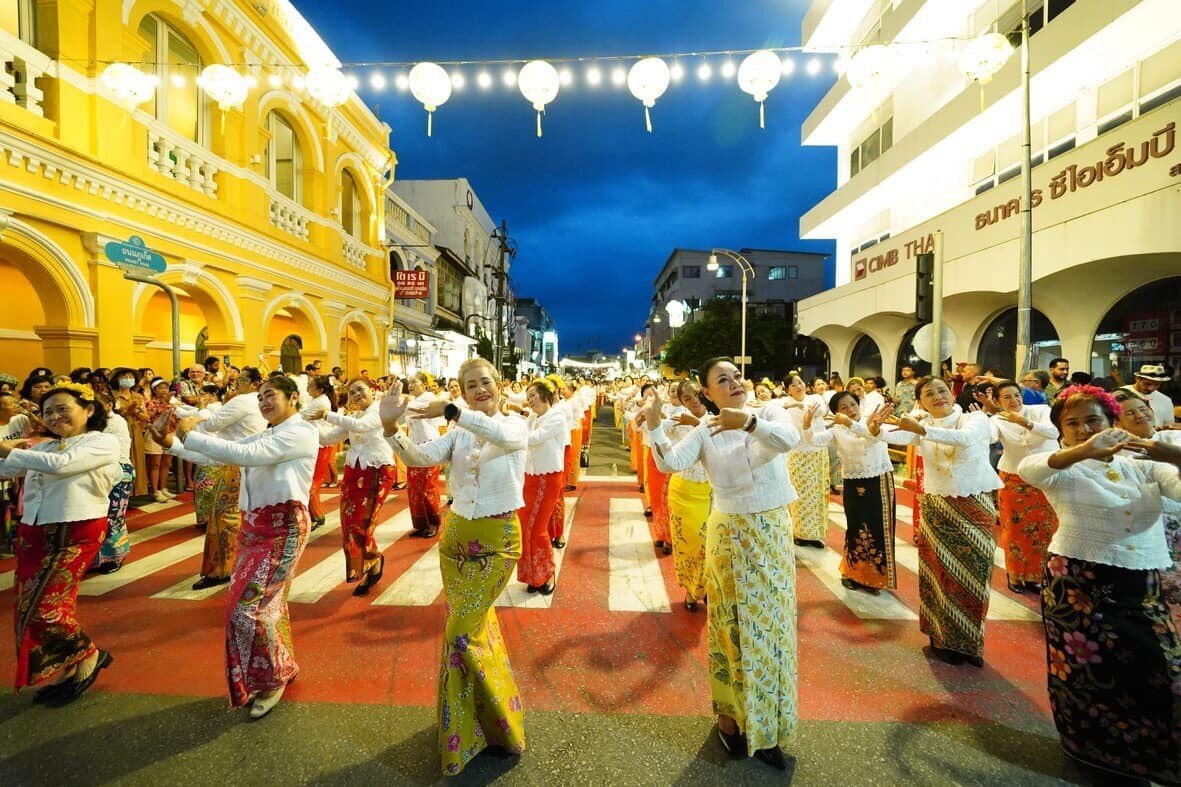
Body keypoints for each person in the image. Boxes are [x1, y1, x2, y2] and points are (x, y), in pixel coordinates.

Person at [1017, 385, 1181, 783]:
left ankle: (1159, 755)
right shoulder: (1063, 466)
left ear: (1112, 423)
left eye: (1093, 420)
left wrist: (1172, 455)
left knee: (1163, 667)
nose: (1083, 428)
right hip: (1077, 582)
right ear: (1062, 431)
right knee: (1083, 670)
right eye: (1072, 424)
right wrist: (1084, 450)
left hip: (1139, 580)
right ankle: (1090, 747)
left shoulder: (1144, 463)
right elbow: (1031, 470)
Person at [647, 357, 799, 770]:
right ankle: (730, 718)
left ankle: (768, 726)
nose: (733, 383)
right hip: (729, 536)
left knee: (772, 627)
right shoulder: (705, 430)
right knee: (732, 627)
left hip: (770, 532)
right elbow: (670, 463)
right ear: (706, 393)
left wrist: (747, 423)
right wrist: (655, 423)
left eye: (736, 376)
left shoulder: (767, 412)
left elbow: (788, 439)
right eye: (722, 380)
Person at [379, 358, 527, 776]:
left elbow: (497, 433)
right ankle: (474, 727)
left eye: (486, 383)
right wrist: (392, 430)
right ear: (461, 391)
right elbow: (420, 458)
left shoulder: (517, 424)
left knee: (461, 631)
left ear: (499, 386)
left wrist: (451, 411)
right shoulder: (459, 431)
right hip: (457, 538)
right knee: (467, 633)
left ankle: (495, 723)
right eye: (470, 385)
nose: (480, 389)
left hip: (498, 541)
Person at [152, 376, 317, 718]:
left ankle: (272, 678)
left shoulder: (299, 431)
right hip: (254, 525)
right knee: (263, 605)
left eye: (270, 395)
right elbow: (228, 456)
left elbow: (246, 453)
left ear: (293, 397)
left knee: (247, 608)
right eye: (260, 398)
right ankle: (279, 666)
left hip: (282, 526)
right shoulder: (270, 433)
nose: (263, 402)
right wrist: (172, 442)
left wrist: (188, 432)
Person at [0, 383, 121, 703]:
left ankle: (88, 654)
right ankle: (74, 659)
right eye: (47, 412)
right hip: (34, 534)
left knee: (46, 608)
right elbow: (4, 470)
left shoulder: (102, 442)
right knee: (29, 607)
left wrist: (11, 449)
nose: (54, 417)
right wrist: (14, 452)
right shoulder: (42, 448)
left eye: (63, 408)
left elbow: (63, 465)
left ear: (89, 409)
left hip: (75, 533)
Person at [876, 376, 1002, 667]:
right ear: (920, 401)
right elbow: (892, 435)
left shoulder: (974, 419)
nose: (937, 397)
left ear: (953, 394)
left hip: (974, 503)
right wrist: (871, 428)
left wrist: (921, 428)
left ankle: (969, 643)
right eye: (929, 394)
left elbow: (965, 440)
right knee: (938, 571)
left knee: (975, 572)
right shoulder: (920, 423)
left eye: (942, 391)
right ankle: (941, 636)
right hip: (936, 504)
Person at [170, 368, 267, 590]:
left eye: (242, 380)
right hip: (246, 463)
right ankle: (235, 564)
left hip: (229, 463)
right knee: (237, 517)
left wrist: (190, 422)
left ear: (254, 384)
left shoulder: (243, 400)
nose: (237, 384)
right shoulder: (256, 402)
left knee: (223, 518)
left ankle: (221, 568)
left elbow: (212, 424)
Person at [803, 392, 898, 594]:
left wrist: (853, 423)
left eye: (853, 404)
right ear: (836, 412)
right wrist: (807, 425)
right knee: (855, 526)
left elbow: (871, 436)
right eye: (844, 407)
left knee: (879, 527)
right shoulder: (837, 429)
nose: (851, 410)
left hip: (878, 479)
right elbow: (815, 441)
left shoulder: (871, 422)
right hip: (853, 482)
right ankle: (853, 573)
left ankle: (874, 577)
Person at [308, 378, 396, 594]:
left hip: (376, 470)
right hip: (354, 471)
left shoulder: (378, 411)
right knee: (348, 523)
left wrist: (326, 415)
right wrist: (307, 423)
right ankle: (371, 560)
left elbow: (361, 427)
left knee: (362, 523)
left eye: (360, 390)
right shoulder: (354, 416)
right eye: (352, 392)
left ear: (373, 390)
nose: (357, 395)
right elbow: (328, 436)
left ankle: (372, 562)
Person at [1114, 389, 1181, 630]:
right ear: (1117, 421)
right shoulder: (1116, 453)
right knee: (1158, 593)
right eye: (1130, 413)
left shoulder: (1175, 440)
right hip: (1150, 529)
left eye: (1143, 410)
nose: (1140, 416)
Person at [984, 380, 1060, 593]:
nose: (1014, 401)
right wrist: (980, 419)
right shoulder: (997, 419)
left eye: (1016, 395)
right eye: (1006, 397)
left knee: (1046, 528)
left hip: (1045, 476)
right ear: (998, 401)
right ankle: (1016, 574)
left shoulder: (1041, 410)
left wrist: (1025, 422)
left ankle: (1038, 575)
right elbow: (988, 437)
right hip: (1014, 477)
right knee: (1014, 528)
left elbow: (1053, 433)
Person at [516, 378, 566, 594]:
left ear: (546, 395)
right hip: (529, 478)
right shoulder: (533, 418)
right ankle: (532, 575)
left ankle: (546, 572)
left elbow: (534, 439)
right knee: (524, 526)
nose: (530, 401)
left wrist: (515, 431)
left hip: (548, 478)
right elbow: (525, 435)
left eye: (534, 395)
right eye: (528, 397)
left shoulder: (557, 416)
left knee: (537, 529)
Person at [666, 380, 712, 611]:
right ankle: (692, 590)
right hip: (684, 489)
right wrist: (649, 418)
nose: (692, 401)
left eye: (695, 395)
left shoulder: (718, 416)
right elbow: (653, 430)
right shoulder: (676, 418)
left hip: (713, 492)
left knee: (711, 545)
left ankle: (707, 588)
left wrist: (694, 422)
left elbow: (716, 436)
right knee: (689, 544)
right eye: (686, 398)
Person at [775, 374, 830, 549]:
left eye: (800, 382)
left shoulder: (815, 398)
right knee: (800, 494)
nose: (798, 386)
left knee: (817, 494)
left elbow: (820, 411)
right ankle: (798, 532)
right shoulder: (784, 403)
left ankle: (814, 534)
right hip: (797, 454)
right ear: (787, 389)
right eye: (793, 385)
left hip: (817, 451)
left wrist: (798, 404)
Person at [90, 406, 134, 574]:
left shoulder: (114, 421)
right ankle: (97, 558)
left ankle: (115, 556)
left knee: (113, 516)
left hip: (119, 472)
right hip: (96, 474)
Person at [402, 372, 446, 537]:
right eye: (410, 382)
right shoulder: (412, 400)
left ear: (425, 384)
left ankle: (433, 523)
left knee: (427, 486)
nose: (411, 385)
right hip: (414, 447)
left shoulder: (429, 398)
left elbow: (410, 408)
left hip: (429, 446)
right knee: (414, 487)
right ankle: (420, 523)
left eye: (415, 382)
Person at [302, 376, 337, 531]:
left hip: (320, 444)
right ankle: (317, 514)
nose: (308, 387)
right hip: (318, 443)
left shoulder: (320, 402)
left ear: (320, 389)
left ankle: (315, 515)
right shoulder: (318, 400)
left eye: (311, 385)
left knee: (313, 481)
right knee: (312, 480)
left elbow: (300, 415)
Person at [109, 368, 149, 497]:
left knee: (137, 458)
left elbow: (145, 416)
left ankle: (137, 490)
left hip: (134, 429)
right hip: (118, 430)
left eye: (130, 377)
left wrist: (136, 412)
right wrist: (127, 411)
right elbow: (114, 413)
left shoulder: (137, 396)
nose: (128, 379)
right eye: (124, 376)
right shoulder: (112, 395)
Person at [143, 378, 176, 501]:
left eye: (166, 388)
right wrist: (165, 405)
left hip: (170, 434)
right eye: (160, 388)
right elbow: (153, 417)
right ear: (154, 390)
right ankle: (155, 490)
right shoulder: (150, 403)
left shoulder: (172, 403)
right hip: (155, 434)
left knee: (166, 463)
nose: (164, 390)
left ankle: (163, 488)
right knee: (155, 464)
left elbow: (176, 418)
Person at [1123, 363, 1175, 429]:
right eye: (1147, 384)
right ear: (1137, 379)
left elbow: (1168, 425)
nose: (1151, 388)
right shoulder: (1121, 393)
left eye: (1156, 385)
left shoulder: (1165, 400)